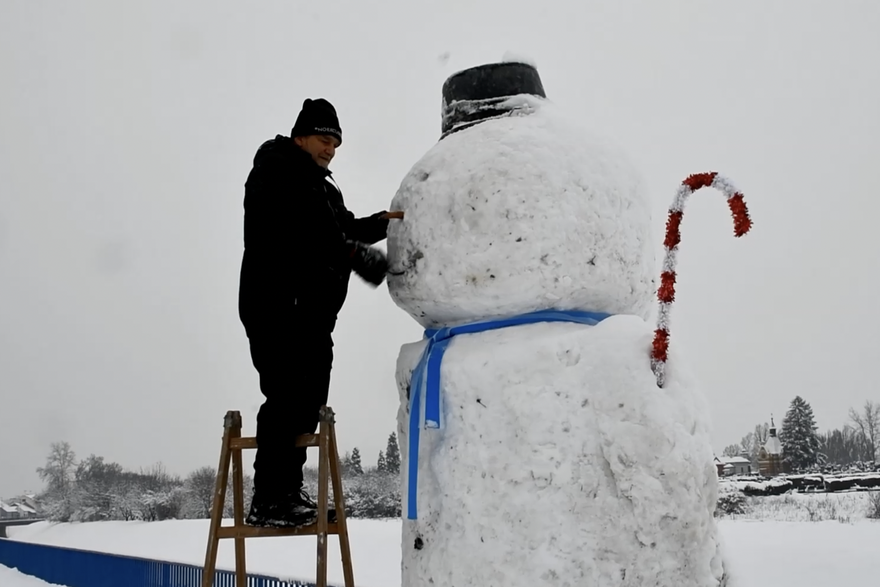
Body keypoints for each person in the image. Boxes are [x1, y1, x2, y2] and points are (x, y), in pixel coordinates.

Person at [238, 98, 402, 527]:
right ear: (301, 136)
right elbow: (300, 230)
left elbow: (341, 225)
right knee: (285, 397)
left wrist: (386, 222)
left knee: (307, 402)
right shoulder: (275, 171)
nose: (330, 149)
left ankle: (287, 492)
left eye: (335, 143)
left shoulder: (322, 187)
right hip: (276, 306)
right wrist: (351, 253)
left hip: (312, 316)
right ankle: (269, 500)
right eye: (324, 139)